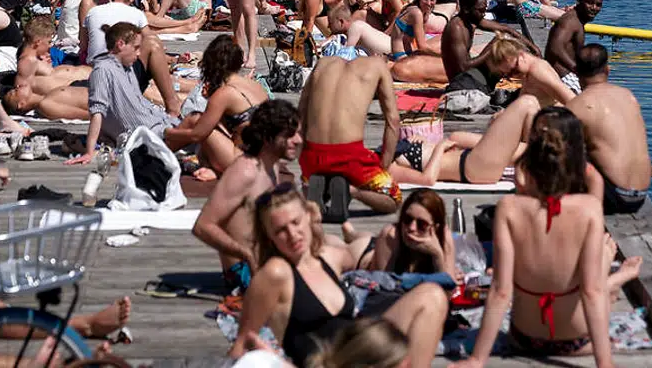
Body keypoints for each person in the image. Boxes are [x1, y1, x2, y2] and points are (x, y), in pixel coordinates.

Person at [459, 108, 642, 367]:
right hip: (576, 342)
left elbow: (500, 292)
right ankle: (618, 278)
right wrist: (605, 364)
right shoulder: (588, 208)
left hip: (524, 339)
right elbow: (591, 292)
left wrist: (477, 360)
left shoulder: (509, 208)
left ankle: (617, 278)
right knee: (602, 263)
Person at [227, 186, 448, 368]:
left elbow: (361, 259)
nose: (292, 235)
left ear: (308, 215)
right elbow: (242, 345)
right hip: (324, 364)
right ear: (269, 238)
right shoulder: (276, 273)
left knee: (432, 295)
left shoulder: (328, 258)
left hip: (357, 350)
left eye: (296, 223)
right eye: (280, 231)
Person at [192, 99, 303, 293]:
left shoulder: (272, 165)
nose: (298, 140)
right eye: (289, 135)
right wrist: (244, 253)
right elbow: (203, 226)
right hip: (245, 271)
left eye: (298, 134)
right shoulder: (245, 171)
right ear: (268, 138)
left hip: (270, 260)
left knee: (343, 252)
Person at [297, 54, 402, 214]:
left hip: (314, 155)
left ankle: (315, 186)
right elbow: (393, 121)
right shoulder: (378, 66)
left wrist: (303, 157)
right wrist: (383, 167)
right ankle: (350, 191)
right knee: (394, 199)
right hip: (350, 156)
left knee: (312, 181)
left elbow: (301, 113)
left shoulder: (323, 63)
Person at [68, 19, 180, 165]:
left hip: (159, 124)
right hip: (147, 134)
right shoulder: (102, 70)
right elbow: (97, 112)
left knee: (198, 124)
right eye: (136, 47)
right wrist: (90, 152)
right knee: (198, 131)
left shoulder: (127, 68)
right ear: (120, 44)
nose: (139, 53)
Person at [566, 42, 652, 214]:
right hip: (641, 194)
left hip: (615, 197)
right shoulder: (628, 96)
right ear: (607, 70)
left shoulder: (577, 105)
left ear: (576, 71)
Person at [164, 35, 269, 171]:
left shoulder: (225, 93)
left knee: (194, 119)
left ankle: (156, 153)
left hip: (241, 161)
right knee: (205, 125)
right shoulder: (255, 86)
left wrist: (168, 133)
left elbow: (198, 134)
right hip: (264, 158)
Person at [361, 189, 461, 281]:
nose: (412, 228)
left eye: (422, 224)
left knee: (367, 237)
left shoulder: (444, 236)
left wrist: (437, 255)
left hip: (376, 244)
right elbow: (382, 288)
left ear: (436, 227)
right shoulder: (390, 236)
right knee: (352, 249)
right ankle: (350, 232)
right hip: (364, 257)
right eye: (408, 219)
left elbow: (448, 290)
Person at [544, 0, 603, 91]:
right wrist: (576, 68)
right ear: (579, 1)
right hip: (561, 76)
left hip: (566, 74)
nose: (594, 8)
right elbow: (555, 47)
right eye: (590, 3)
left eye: (598, 4)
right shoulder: (570, 21)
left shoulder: (578, 21)